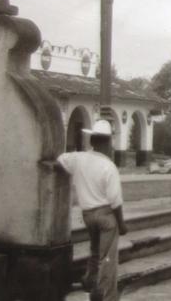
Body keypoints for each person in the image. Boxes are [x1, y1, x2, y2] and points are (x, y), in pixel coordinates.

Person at [56, 120, 127, 301]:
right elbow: (115, 201)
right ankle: (107, 296)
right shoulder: (108, 166)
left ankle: (91, 284)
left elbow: (60, 160)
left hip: (88, 214)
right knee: (108, 259)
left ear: (92, 141)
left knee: (95, 252)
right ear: (106, 143)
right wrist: (121, 223)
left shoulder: (78, 159)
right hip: (106, 215)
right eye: (110, 142)